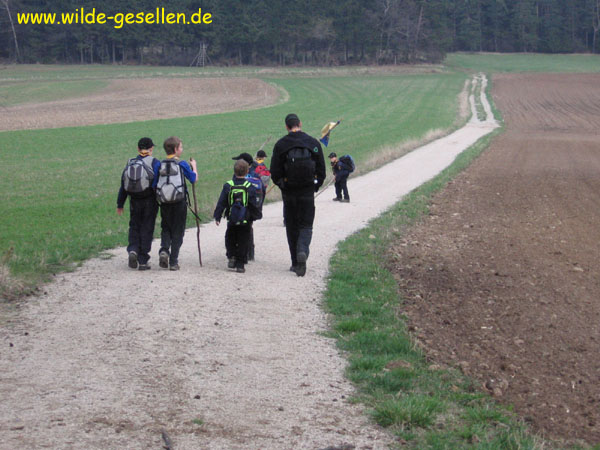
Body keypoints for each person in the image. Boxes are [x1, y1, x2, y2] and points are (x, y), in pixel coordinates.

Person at [270, 113, 326, 276]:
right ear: (300, 124)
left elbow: (275, 172)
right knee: (306, 225)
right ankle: (302, 250)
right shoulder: (313, 143)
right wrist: (314, 186)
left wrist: (283, 186)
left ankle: (295, 262)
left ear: (286, 127)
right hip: (307, 191)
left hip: (289, 192)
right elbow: (321, 170)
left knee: (292, 226)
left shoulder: (281, 144)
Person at [117, 137, 161, 271]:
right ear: (151, 149)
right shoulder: (154, 162)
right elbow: (157, 183)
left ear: (138, 148)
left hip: (134, 201)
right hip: (150, 201)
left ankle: (133, 249)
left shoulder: (130, 162)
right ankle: (143, 261)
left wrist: (120, 204)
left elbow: (123, 185)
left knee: (134, 226)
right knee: (147, 228)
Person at [157, 136, 197, 271]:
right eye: (181, 147)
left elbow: (155, 183)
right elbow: (193, 179)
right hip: (179, 202)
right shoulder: (182, 164)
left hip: (165, 202)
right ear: (175, 149)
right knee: (178, 231)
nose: (182, 149)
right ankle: (173, 262)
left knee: (166, 228)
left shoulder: (160, 165)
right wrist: (194, 167)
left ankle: (164, 250)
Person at [213, 159, 260, 273]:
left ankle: (232, 256)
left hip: (232, 218)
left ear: (234, 171)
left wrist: (217, 216)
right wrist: (254, 216)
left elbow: (222, 202)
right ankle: (240, 264)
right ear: (247, 171)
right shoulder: (250, 186)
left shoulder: (228, 185)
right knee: (244, 240)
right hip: (245, 219)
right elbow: (253, 204)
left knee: (230, 238)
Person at [231, 152, 264, 262]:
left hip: (239, 207)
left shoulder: (237, 176)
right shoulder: (256, 176)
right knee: (248, 227)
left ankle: (241, 252)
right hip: (252, 207)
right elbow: (262, 191)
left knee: (238, 229)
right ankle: (250, 252)